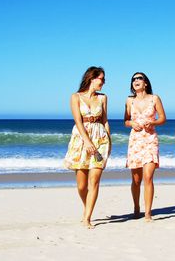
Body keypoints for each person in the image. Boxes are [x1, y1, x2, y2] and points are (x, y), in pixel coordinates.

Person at [64, 66, 111, 229]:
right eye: (102, 79)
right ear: (92, 78)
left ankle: (87, 218)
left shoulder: (103, 98)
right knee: (81, 185)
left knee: (94, 181)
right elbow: (78, 120)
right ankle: (87, 209)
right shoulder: (75, 97)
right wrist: (87, 141)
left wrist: (109, 141)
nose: (104, 82)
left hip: (100, 139)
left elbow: (105, 121)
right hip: (81, 139)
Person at [124, 72, 166, 221]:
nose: (136, 81)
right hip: (135, 140)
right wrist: (131, 123)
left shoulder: (154, 99)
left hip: (149, 139)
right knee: (136, 179)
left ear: (145, 83)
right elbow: (126, 121)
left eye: (139, 78)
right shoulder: (129, 101)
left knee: (148, 177)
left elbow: (162, 118)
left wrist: (153, 122)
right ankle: (136, 207)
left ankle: (148, 212)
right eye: (133, 79)